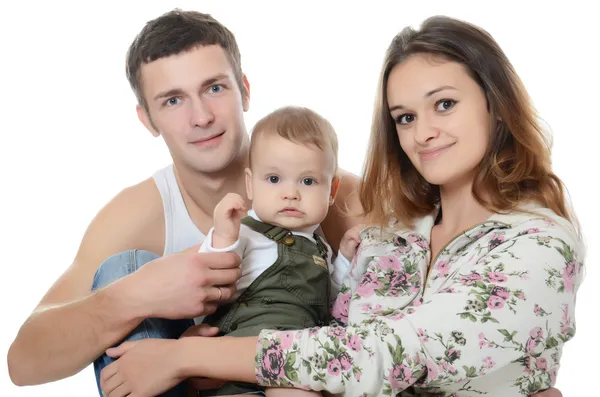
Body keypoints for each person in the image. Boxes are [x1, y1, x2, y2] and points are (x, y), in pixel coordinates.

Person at [97, 15, 583, 397]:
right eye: (405, 117)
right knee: (126, 278)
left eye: (445, 104)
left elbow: (382, 354)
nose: (423, 132)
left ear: (494, 103)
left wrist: (186, 362)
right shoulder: (390, 230)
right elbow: (325, 334)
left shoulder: (538, 241)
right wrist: (205, 358)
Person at [6, 9, 364, 396]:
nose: (202, 117)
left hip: (296, 378)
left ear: (244, 89)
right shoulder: (138, 214)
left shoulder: (324, 195)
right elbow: (23, 363)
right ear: (148, 120)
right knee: (124, 269)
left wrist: (187, 357)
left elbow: (408, 338)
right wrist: (136, 294)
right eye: (173, 100)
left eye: (214, 88)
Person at [195, 105, 362, 396]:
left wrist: (345, 260)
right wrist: (223, 235)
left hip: (294, 361)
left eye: (307, 181)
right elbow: (209, 277)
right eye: (274, 179)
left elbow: (332, 299)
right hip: (235, 356)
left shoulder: (320, 248)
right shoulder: (244, 232)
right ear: (250, 184)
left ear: (332, 191)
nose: (290, 193)